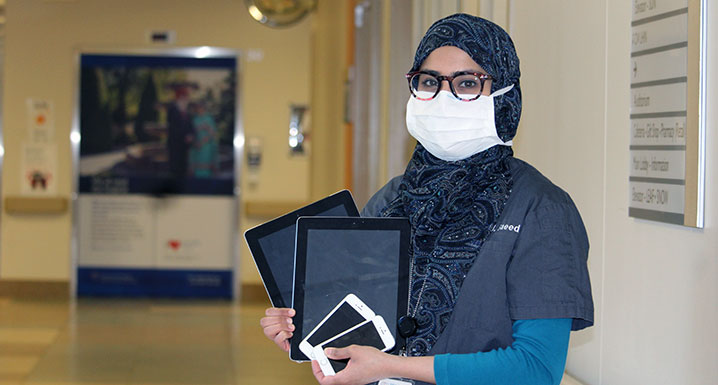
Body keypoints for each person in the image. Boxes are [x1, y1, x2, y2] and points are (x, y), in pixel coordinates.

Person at [260, 13, 593, 385]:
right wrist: (312, 339)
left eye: (468, 83)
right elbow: (361, 344)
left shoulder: (541, 209)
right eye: (429, 81)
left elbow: (535, 368)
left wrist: (391, 367)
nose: (443, 97)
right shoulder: (391, 200)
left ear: (505, 98)